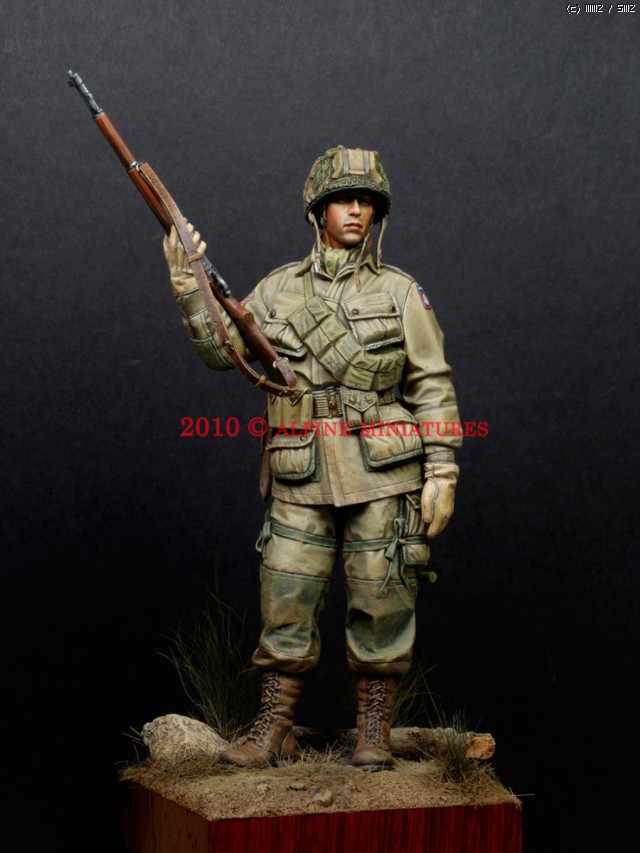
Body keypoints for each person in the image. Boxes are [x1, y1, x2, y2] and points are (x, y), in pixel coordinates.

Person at [163, 146, 461, 771]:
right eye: (343, 199)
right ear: (317, 209)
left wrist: (442, 469)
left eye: (367, 202)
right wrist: (190, 287)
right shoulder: (277, 289)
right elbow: (222, 352)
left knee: (383, 600)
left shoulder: (400, 291)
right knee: (286, 598)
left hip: (384, 473)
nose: (356, 211)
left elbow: (431, 383)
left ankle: (373, 730)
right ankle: (274, 726)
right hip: (300, 469)